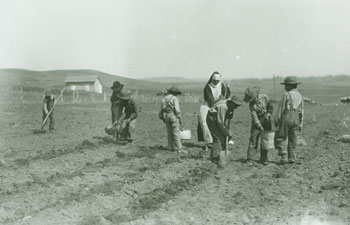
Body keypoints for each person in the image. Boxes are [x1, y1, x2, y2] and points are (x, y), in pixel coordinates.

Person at [274, 76, 304, 164]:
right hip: (296, 118)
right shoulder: (300, 95)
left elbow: (281, 108)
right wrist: (301, 123)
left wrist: (276, 119)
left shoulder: (287, 94)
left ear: (290, 86)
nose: (285, 87)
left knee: (282, 137)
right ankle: (292, 158)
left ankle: (284, 158)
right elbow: (302, 111)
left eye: (286, 85)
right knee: (293, 139)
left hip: (287, 117)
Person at [198, 71, 231, 150]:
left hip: (217, 105)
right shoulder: (208, 87)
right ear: (212, 79)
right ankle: (209, 141)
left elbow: (226, 95)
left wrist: (228, 88)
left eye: (217, 81)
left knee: (219, 121)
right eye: (215, 81)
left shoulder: (221, 85)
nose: (216, 82)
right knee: (203, 121)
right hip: (207, 105)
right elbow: (210, 100)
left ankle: (221, 139)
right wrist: (215, 107)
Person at [244, 86, 274, 165]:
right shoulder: (251, 106)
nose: (253, 100)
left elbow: (270, 106)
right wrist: (260, 126)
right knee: (253, 140)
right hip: (256, 122)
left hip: (267, 120)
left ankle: (264, 158)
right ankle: (250, 159)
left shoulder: (265, 97)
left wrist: (268, 113)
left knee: (265, 140)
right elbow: (255, 118)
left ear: (257, 95)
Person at [206, 95, 242, 161]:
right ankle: (214, 157)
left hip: (218, 120)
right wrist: (225, 131)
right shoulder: (223, 107)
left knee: (227, 136)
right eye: (236, 105)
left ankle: (222, 152)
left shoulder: (230, 105)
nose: (236, 107)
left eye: (238, 106)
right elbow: (220, 122)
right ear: (231, 102)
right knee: (217, 138)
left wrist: (230, 114)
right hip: (212, 120)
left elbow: (228, 117)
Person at [159, 86, 186, 153]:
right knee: (176, 132)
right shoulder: (174, 98)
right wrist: (179, 117)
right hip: (173, 115)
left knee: (169, 132)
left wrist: (162, 117)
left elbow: (161, 109)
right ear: (175, 92)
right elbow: (177, 109)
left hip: (166, 116)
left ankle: (170, 147)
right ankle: (179, 148)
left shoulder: (164, 98)